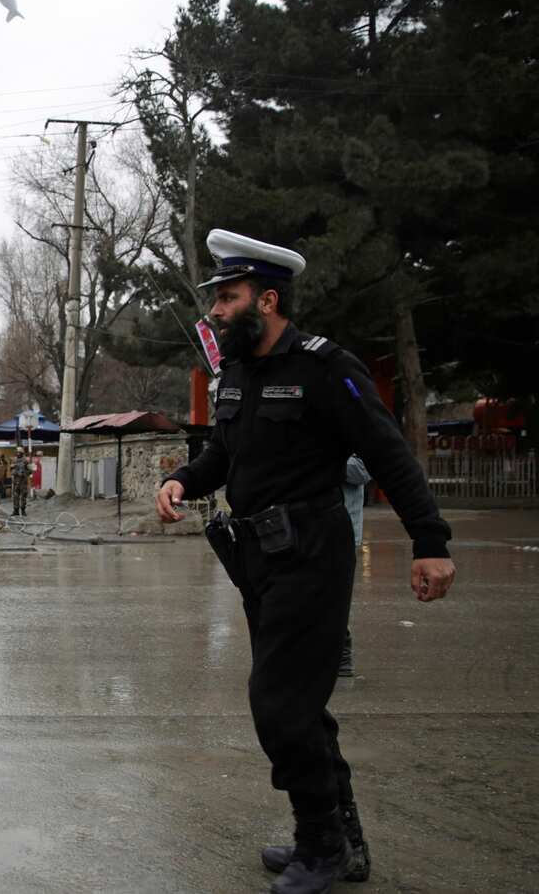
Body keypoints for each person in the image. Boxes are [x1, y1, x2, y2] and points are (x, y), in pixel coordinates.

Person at [156, 229, 455, 894]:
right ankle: (343, 840)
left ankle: (321, 845)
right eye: (216, 299)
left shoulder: (325, 367)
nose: (216, 311)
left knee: (279, 704)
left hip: (313, 555)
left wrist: (430, 542)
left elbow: (388, 454)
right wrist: (182, 479)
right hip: (256, 560)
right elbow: (224, 456)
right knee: (303, 704)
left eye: (228, 298)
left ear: (267, 300)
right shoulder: (237, 373)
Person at [339, 455, 370, 677]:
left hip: (341, 533)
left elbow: (362, 471)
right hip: (298, 529)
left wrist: (317, 457)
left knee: (333, 598)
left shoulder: (354, 435)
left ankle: (341, 654)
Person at [10, 452, 30, 517]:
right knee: (15, 496)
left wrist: (24, 473)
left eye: (19, 452)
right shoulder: (14, 460)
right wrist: (15, 472)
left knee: (23, 496)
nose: (18, 454)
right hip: (16, 482)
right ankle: (16, 510)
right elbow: (11, 470)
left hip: (23, 482)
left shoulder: (26, 461)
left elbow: (31, 470)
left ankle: (23, 510)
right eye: (17, 452)